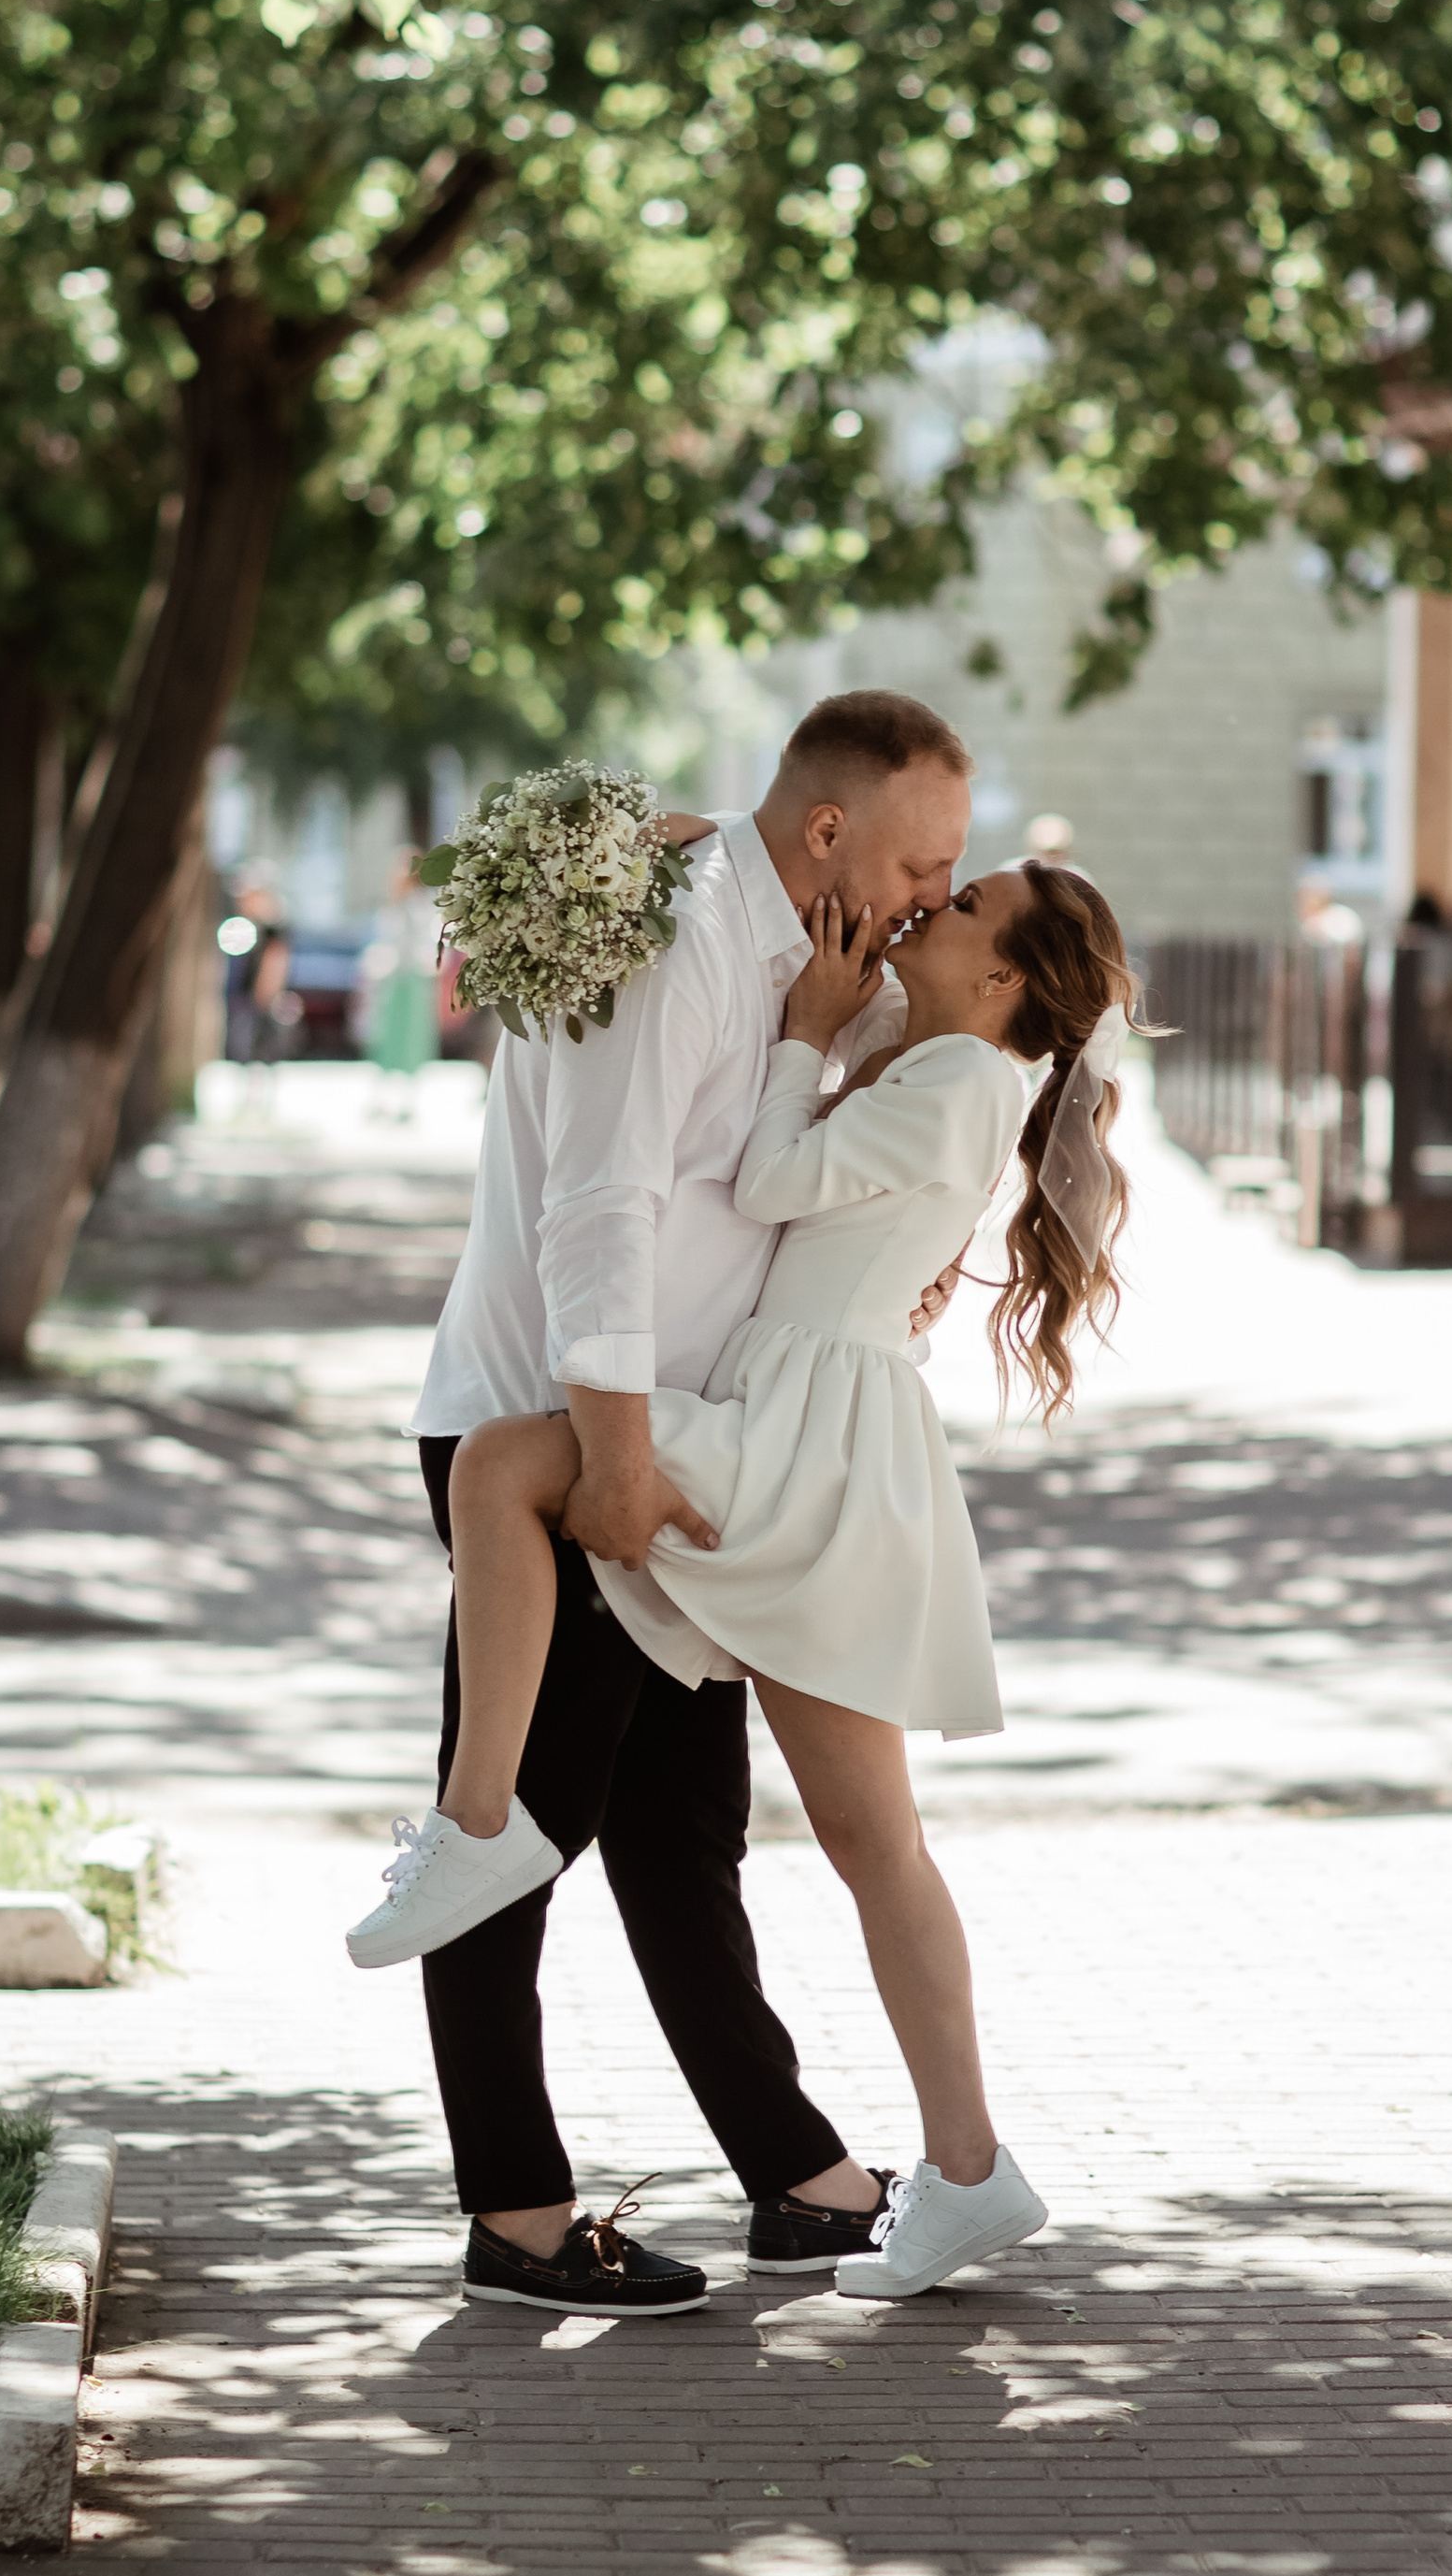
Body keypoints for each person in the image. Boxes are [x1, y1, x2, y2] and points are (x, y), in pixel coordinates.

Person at [351, 853, 1137, 2299]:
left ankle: (477, 1823)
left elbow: (771, 1180)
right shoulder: (939, 1060)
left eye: (966, 903)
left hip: (793, 1447)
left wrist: (800, 1041)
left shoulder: (956, 1077)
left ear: (1006, 977)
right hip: (807, 1437)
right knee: (850, 1844)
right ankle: (954, 2172)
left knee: (504, 1469)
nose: (933, 902)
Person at [387, 692, 981, 2322]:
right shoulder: (679, 943)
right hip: (570, 1444)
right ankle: (518, 2215)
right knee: (513, 1830)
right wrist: (618, 1467)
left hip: (672, 1455)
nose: (937, 891)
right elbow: (600, 1214)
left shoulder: (798, 945)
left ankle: (799, 2180)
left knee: (680, 1836)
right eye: (923, 861)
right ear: (829, 832)